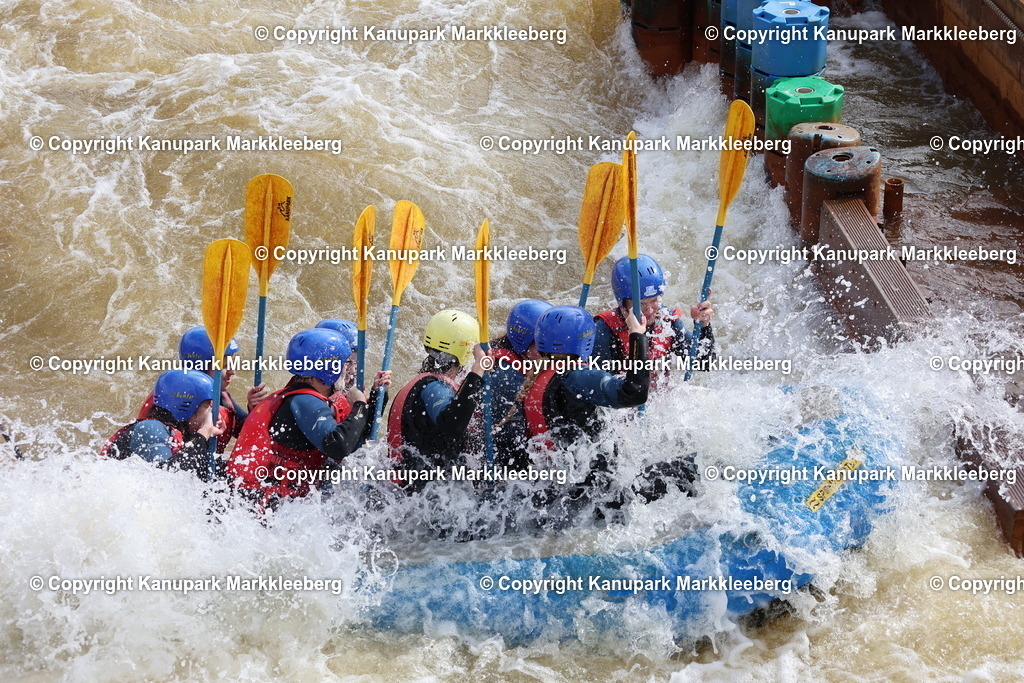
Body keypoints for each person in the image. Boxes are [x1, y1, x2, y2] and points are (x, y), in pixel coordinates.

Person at [227, 328, 388, 510]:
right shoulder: (305, 401)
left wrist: (375, 398)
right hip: (262, 505)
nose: (350, 371)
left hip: (266, 499)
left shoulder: (301, 395)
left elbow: (354, 438)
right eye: (346, 364)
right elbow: (339, 446)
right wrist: (359, 404)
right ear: (328, 369)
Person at [386, 309, 488, 491]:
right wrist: (477, 372)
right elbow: (453, 424)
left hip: (420, 488)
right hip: (426, 496)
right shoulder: (434, 388)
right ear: (465, 352)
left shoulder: (430, 381)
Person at [138, 326, 268, 454]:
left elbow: (250, 434)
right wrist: (204, 432)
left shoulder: (221, 397)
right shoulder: (173, 400)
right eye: (224, 365)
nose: (232, 371)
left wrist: (256, 410)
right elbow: (169, 465)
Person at [594, 255, 716, 386]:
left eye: (654, 300)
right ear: (622, 303)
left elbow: (705, 363)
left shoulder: (667, 321)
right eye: (641, 304)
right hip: (625, 401)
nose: (650, 310)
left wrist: (704, 324)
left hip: (658, 400)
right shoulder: (604, 330)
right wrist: (637, 337)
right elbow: (601, 389)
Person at [102, 370, 226, 479]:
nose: (211, 412)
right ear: (186, 407)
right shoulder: (150, 429)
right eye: (207, 406)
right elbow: (166, 478)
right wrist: (204, 432)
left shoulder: (182, 432)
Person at [488, 299, 552, 469]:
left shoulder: (526, 357)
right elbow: (509, 442)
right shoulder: (506, 378)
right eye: (543, 344)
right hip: (500, 467)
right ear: (523, 341)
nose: (553, 351)